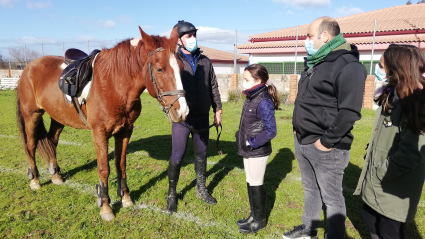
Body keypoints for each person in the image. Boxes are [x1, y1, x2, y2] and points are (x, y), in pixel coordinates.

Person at [284, 17, 366, 239]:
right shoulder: (314, 62)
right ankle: (308, 229)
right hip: (302, 139)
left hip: (327, 148)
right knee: (310, 189)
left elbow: (349, 112)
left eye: (309, 36)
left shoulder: (349, 66)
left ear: (325, 37)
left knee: (332, 198)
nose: (306, 40)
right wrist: (296, 129)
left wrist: (326, 143)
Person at [354, 44, 425, 239]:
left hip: (393, 184)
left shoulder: (416, 101)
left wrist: (379, 173)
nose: (379, 69)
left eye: (381, 65)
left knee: (389, 232)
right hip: (380, 180)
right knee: (369, 218)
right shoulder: (393, 94)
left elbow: (411, 154)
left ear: (397, 68)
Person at [166, 20, 222, 213]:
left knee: (202, 155)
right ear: (179, 40)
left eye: (194, 35)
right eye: (189, 36)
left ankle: (201, 189)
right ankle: (172, 193)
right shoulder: (174, 61)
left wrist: (218, 109)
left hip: (202, 116)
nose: (193, 39)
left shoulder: (205, 61)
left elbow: (213, 86)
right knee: (178, 155)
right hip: (183, 119)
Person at [235, 64, 279, 234]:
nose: (244, 83)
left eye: (247, 80)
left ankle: (259, 221)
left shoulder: (263, 101)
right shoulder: (251, 96)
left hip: (257, 150)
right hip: (248, 148)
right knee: (250, 181)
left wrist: (252, 143)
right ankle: (253, 216)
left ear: (258, 80)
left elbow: (271, 131)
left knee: (256, 183)